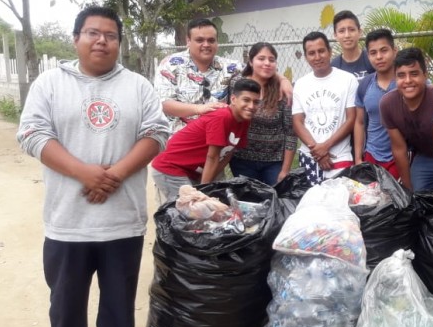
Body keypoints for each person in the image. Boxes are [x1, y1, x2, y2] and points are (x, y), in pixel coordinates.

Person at [16, 6, 171, 327]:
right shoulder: (50, 83)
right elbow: (32, 133)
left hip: (123, 216)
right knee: (65, 299)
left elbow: (157, 133)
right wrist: (85, 173)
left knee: (120, 294)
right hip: (69, 218)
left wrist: (115, 174)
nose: (101, 40)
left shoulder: (137, 86)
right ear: (76, 39)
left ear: (120, 42)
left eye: (111, 35)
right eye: (92, 33)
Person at [151, 78, 262, 202]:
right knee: (190, 210)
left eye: (256, 102)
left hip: (193, 172)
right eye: (246, 100)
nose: (251, 106)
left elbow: (228, 153)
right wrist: (204, 191)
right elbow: (212, 157)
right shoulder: (222, 116)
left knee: (204, 211)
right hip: (171, 168)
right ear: (234, 99)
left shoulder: (244, 120)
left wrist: (207, 186)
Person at [292, 31, 359, 186]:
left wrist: (325, 146)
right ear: (306, 57)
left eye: (321, 51)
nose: (317, 57)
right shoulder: (301, 84)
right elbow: (297, 122)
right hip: (310, 158)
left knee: (341, 205)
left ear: (329, 51)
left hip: (340, 156)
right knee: (312, 206)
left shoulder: (348, 80)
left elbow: (351, 119)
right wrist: (318, 152)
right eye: (311, 53)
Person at [154, 18, 242, 132]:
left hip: (219, 140)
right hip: (181, 140)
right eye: (200, 40)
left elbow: (259, 73)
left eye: (211, 40)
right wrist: (199, 109)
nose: (206, 44)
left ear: (217, 42)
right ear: (188, 41)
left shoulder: (231, 67)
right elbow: (163, 103)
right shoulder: (170, 65)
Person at [380, 47, 433, 192]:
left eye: (414, 74)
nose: (408, 81)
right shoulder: (388, 104)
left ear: (425, 75)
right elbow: (399, 148)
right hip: (425, 157)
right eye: (401, 75)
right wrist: (407, 187)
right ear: (395, 78)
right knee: (414, 199)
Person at [229, 43, 297, 186]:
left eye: (271, 60)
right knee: (249, 202)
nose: (267, 63)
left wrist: (285, 170)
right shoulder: (238, 83)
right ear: (251, 62)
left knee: (277, 199)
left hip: (274, 161)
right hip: (242, 159)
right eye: (261, 58)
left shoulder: (282, 91)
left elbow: (290, 133)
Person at [353, 28, 398, 176]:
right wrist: (359, 158)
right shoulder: (365, 85)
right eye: (373, 53)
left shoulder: (407, 82)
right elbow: (359, 122)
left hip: (400, 157)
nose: (379, 57)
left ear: (395, 51)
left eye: (384, 50)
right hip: (371, 156)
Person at [331, 10, 374, 78]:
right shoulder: (334, 66)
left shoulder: (371, 58)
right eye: (341, 31)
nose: (347, 35)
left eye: (351, 30)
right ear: (335, 35)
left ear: (360, 32)